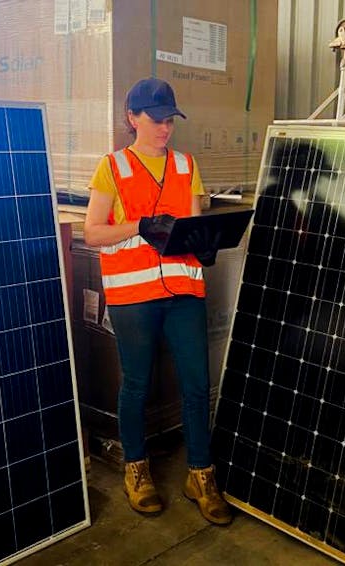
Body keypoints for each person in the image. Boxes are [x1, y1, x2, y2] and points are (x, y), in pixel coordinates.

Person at [83, 77, 231, 525]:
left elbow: (193, 224)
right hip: (134, 295)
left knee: (196, 385)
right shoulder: (112, 167)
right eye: (156, 119)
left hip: (184, 291)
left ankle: (200, 474)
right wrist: (138, 226)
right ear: (132, 118)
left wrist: (206, 244)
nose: (165, 128)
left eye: (169, 120)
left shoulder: (187, 166)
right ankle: (137, 469)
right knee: (137, 384)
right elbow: (92, 233)